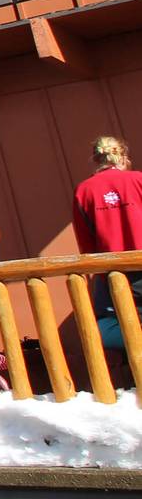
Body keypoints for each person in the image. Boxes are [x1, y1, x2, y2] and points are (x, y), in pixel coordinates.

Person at [72, 135, 142, 351]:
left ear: (96, 159)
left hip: (111, 273)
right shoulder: (138, 180)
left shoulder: (84, 190)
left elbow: (85, 242)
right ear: (123, 157)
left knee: (104, 330)